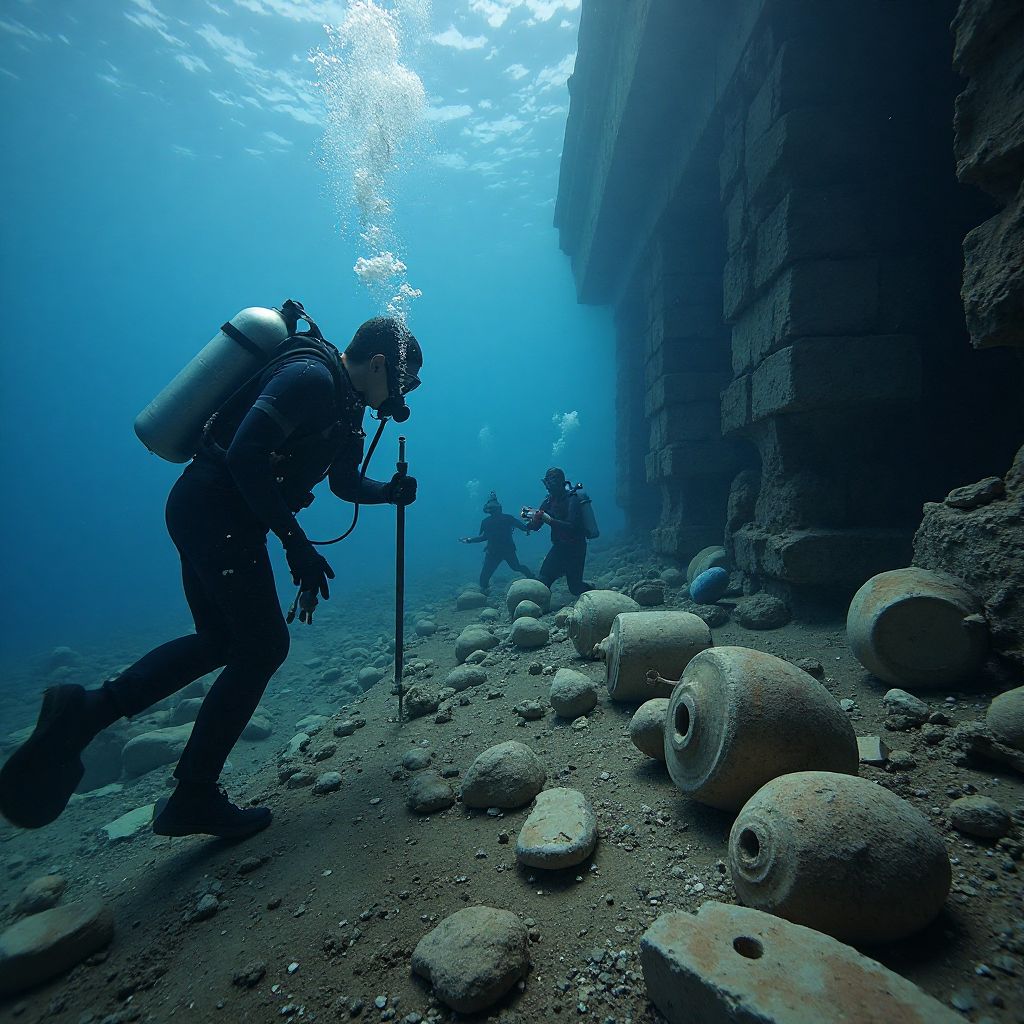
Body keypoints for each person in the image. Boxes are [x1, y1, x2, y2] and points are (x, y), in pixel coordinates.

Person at [0, 316, 421, 840]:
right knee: (263, 645)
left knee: (223, 639)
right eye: (409, 380)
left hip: (214, 514)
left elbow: (344, 481)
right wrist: (297, 546)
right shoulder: (311, 377)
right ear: (380, 363)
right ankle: (191, 792)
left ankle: (87, 712)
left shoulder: (347, 407)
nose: (407, 394)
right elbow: (245, 454)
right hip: (213, 509)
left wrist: (388, 492)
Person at [523, 466, 594, 597]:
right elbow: (537, 525)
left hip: (576, 548)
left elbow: (572, 526)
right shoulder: (548, 501)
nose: (549, 487)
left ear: (561, 482)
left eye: (552, 482)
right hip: (559, 547)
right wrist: (531, 521)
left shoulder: (572, 499)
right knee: (543, 580)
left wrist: (548, 519)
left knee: (575, 588)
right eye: (547, 483)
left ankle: (596, 593)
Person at [459, 492, 533, 591]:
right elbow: (524, 528)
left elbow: (483, 537)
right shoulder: (507, 518)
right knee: (516, 567)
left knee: (485, 576)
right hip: (504, 550)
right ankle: (533, 578)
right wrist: (530, 523)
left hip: (495, 552)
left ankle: (484, 595)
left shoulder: (487, 522)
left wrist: (470, 540)